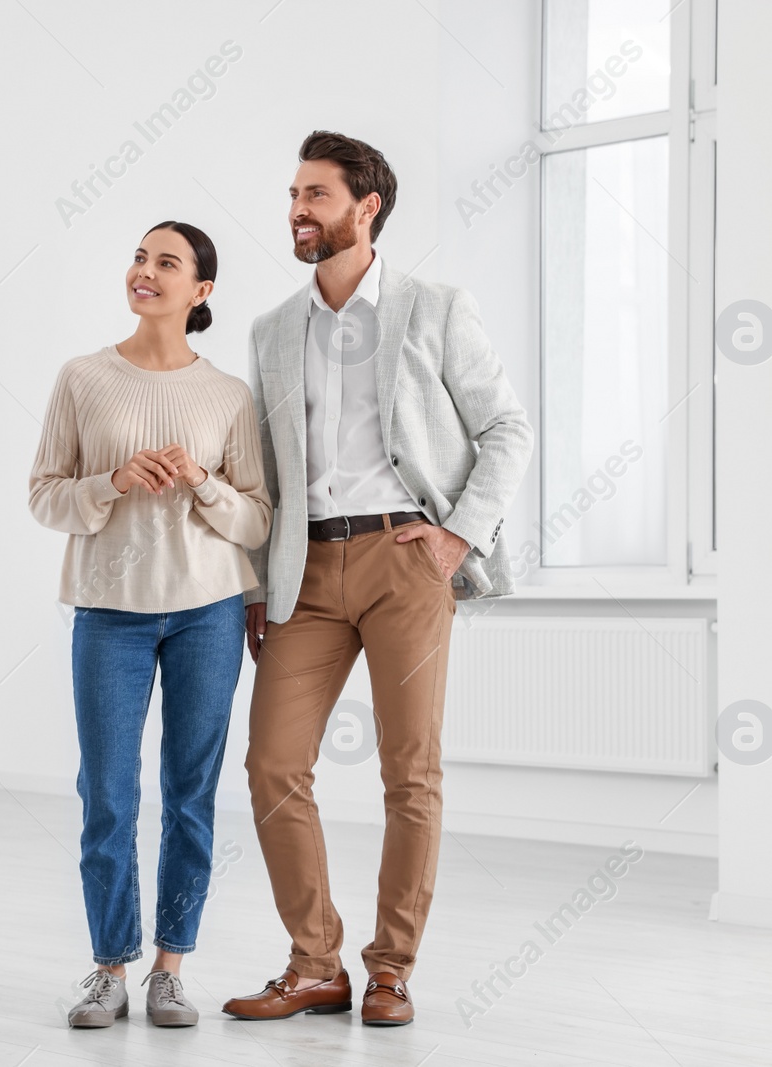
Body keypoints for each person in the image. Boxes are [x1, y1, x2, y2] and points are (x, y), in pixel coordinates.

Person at [221, 131, 532, 1027]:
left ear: (367, 208)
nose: (296, 211)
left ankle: (391, 966)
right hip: (306, 566)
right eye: (292, 195)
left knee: (410, 771)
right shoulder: (273, 328)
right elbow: (265, 469)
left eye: (315, 196)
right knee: (274, 762)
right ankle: (314, 960)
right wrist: (254, 583)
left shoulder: (435, 307)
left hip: (406, 558)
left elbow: (507, 428)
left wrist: (457, 538)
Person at [29, 221, 272, 1029]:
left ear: (200, 290)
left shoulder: (229, 394)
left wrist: (202, 481)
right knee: (106, 792)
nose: (145, 271)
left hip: (207, 611)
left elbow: (259, 520)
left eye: (166, 263)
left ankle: (170, 965)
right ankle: (108, 965)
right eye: (139, 256)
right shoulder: (83, 377)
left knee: (190, 793)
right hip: (108, 612)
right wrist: (114, 479)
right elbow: (44, 494)